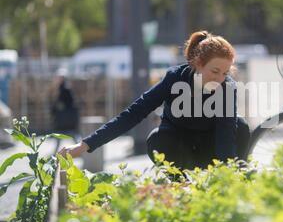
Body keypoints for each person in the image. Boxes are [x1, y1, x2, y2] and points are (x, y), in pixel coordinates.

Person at [58, 31, 251, 169]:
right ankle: (181, 184)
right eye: (214, 71)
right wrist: (85, 145)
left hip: (210, 150)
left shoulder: (227, 88)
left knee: (240, 126)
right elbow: (134, 113)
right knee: (156, 138)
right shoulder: (174, 78)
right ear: (198, 64)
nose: (220, 79)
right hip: (178, 149)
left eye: (225, 73)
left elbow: (226, 136)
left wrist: (227, 175)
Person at [50, 69, 80, 155]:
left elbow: (64, 104)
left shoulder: (65, 89)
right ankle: (56, 152)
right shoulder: (63, 88)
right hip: (66, 119)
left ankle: (80, 150)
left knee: (70, 135)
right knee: (68, 135)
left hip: (65, 119)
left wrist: (55, 110)